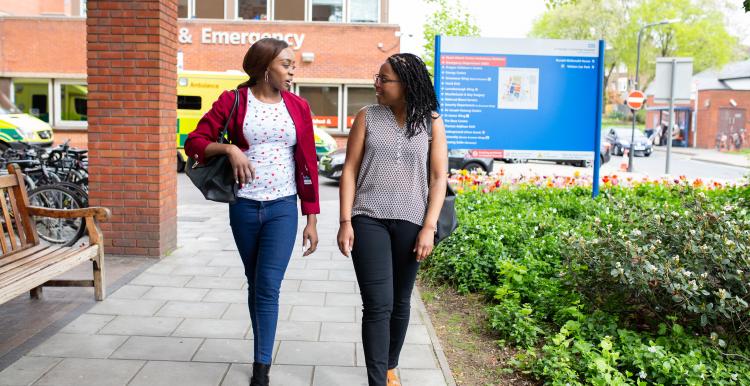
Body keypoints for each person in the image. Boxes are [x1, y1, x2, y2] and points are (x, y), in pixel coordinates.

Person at [184, 38, 320, 386]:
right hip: (244, 207)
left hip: (282, 208)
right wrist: (229, 148)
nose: (292, 70)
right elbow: (194, 141)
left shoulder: (298, 106)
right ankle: (262, 353)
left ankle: (261, 368)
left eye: (293, 65)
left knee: (268, 285)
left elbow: (307, 162)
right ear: (264, 66)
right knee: (255, 282)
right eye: (286, 64)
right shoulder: (233, 101)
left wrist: (311, 217)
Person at [337, 53, 448, 386]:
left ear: (407, 84)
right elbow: (350, 169)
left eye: (384, 79)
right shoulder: (366, 116)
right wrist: (345, 221)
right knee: (377, 304)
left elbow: (440, 176)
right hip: (368, 217)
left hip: (413, 222)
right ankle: (377, 381)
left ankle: (389, 366)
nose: (377, 84)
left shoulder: (431, 121)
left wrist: (429, 227)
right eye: (378, 77)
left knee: (400, 300)